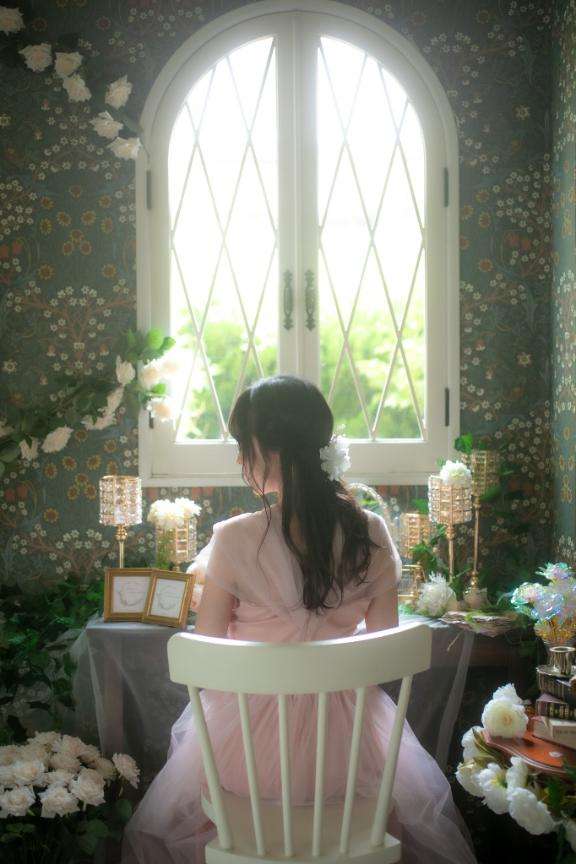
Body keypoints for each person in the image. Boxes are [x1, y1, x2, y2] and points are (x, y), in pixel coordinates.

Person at [122, 375, 477, 864]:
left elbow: (206, 652)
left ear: (271, 453)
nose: (239, 460)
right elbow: (383, 647)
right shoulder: (371, 532)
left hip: (248, 759)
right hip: (348, 755)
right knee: (366, 808)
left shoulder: (234, 538)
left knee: (211, 805)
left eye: (242, 446)